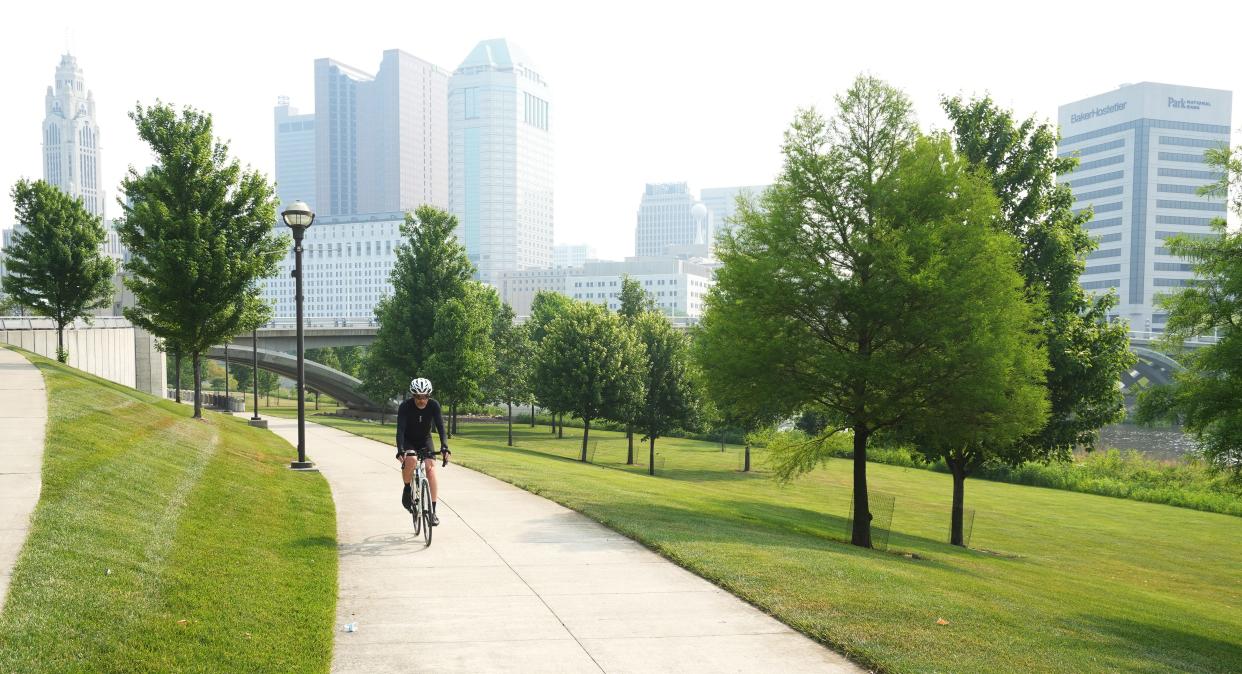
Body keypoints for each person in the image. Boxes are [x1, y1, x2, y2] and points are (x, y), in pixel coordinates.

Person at [395, 377, 451, 524]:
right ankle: (407, 489)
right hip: (408, 440)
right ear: (413, 395)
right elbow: (400, 430)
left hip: (425, 440)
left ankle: (432, 512)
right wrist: (401, 449)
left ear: (429, 395)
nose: (422, 400)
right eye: (418, 397)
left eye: (425, 396)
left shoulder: (434, 405)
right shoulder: (405, 407)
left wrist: (444, 446)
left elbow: (441, 428)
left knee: (430, 468)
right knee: (412, 460)